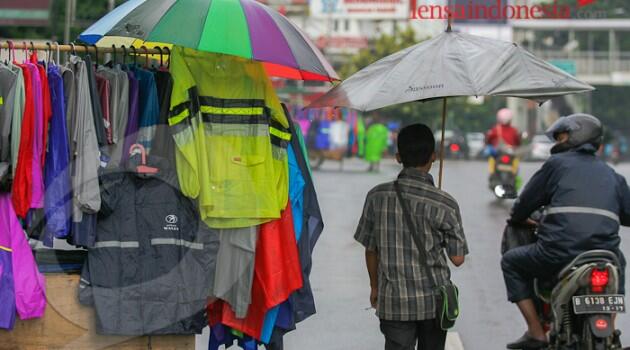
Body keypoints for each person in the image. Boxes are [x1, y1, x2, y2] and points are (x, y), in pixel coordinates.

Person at [501, 114, 630, 349]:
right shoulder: (614, 176)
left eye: (561, 136)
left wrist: (518, 219)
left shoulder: (555, 165)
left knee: (511, 262)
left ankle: (536, 332)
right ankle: (609, 327)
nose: (557, 141)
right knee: (619, 264)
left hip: (558, 253)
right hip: (605, 255)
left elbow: (525, 203)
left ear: (574, 137)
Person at [354, 123, 469, 350]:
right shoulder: (444, 202)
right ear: (433, 157)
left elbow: (370, 249)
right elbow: (458, 259)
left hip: (394, 303)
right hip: (433, 304)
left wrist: (374, 288)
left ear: (398, 157)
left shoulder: (377, 196)